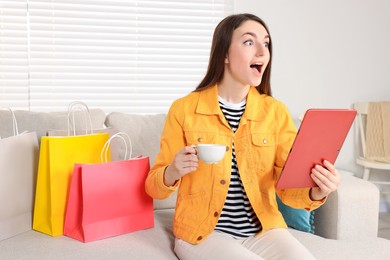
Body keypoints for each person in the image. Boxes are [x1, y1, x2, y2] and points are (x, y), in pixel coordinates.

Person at [145, 13, 340, 260]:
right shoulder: (184, 109)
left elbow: (288, 189)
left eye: (266, 43)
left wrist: (317, 191)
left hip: (264, 231)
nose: (262, 51)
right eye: (249, 42)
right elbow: (153, 187)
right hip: (203, 234)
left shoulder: (276, 112)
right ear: (224, 54)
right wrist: (172, 171)